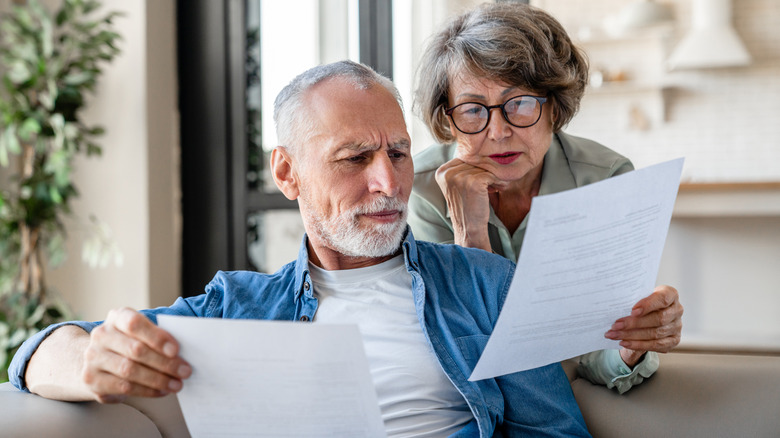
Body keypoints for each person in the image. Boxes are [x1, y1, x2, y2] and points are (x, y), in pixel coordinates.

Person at [10, 60, 591, 437]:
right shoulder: (238, 307)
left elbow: (554, 431)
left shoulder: (483, 283)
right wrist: (92, 363)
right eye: (355, 158)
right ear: (287, 174)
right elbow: (33, 354)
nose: (389, 184)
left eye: (398, 153)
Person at [408, 2, 683, 394]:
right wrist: (470, 236)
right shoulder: (422, 190)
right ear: (448, 120)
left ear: (554, 106)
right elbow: (459, 350)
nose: (498, 131)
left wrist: (631, 346)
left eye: (518, 103)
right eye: (472, 109)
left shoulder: (604, 181)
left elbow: (593, 351)